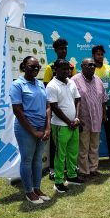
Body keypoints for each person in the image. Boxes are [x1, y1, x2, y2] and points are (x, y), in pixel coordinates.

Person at [10, 56, 51, 204]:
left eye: (37, 67)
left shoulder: (40, 84)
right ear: (23, 66)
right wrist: (33, 131)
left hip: (42, 127)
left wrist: (47, 127)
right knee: (27, 160)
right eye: (31, 66)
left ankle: (37, 188)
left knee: (37, 159)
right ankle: (29, 191)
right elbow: (18, 111)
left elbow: (47, 106)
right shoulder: (17, 85)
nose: (35, 69)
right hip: (25, 128)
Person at [46, 59, 83, 193]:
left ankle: (72, 176)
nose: (67, 71)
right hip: (61, 126)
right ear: (56, 69)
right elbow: (54, 107)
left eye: (68, 69)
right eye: (63, 69)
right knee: (60, 155)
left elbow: (78, 100)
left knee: (73, 153)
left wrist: (77, 118)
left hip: (74, 124)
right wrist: (69, 122)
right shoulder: (51, 85)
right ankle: (59, 181)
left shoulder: (71, 82)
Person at [43, 38, 76, 180]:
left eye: (65, 48)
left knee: (70, 144)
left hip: (70, 109)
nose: (63, 51)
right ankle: (53, 169)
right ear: (55, 50)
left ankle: (70, 169)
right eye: (61, 49)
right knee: (55, 144)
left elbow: (73, 86)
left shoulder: (72, 66)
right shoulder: (50, 67)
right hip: (55, 110)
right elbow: (46, 90)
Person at [72, 58, 108, 177]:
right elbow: (71, 101)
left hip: (97, 118)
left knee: (94, 146)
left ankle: (93, 168)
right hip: (83, 120)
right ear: (82, 66)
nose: (92, 67)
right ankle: (83, 171)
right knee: (83, 148)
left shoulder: (98, 80)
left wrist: (104, 114)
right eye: (89, 65)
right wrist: (76, 118)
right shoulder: (74, 80)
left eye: (93, 65)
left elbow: (103, 99)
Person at [93, 45, 110, 165]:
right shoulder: (91, 69)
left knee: (109, 130)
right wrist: (99, 100)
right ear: (93, 56)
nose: (100, 56)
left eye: (102, 54)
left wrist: (106, 98)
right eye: (98, 54)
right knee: (95, 132)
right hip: (95, 106)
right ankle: (93, 159)